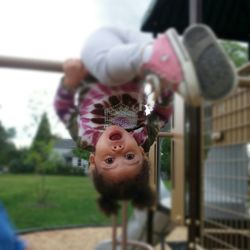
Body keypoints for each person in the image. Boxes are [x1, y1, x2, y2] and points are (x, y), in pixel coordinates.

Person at [54, 24, 237, 216]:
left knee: (106, 71)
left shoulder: (84, 137)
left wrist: (70, 83)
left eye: (109, 160)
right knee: (152, 58)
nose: (119, 150)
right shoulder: (143, 137)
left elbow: (63, 109)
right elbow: (162, 113)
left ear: (93, 161)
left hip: (104, 55)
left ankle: (166, 62)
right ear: (141, 152)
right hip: (134, 57)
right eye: (130, 157)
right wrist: (166, 89)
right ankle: (186, 58)